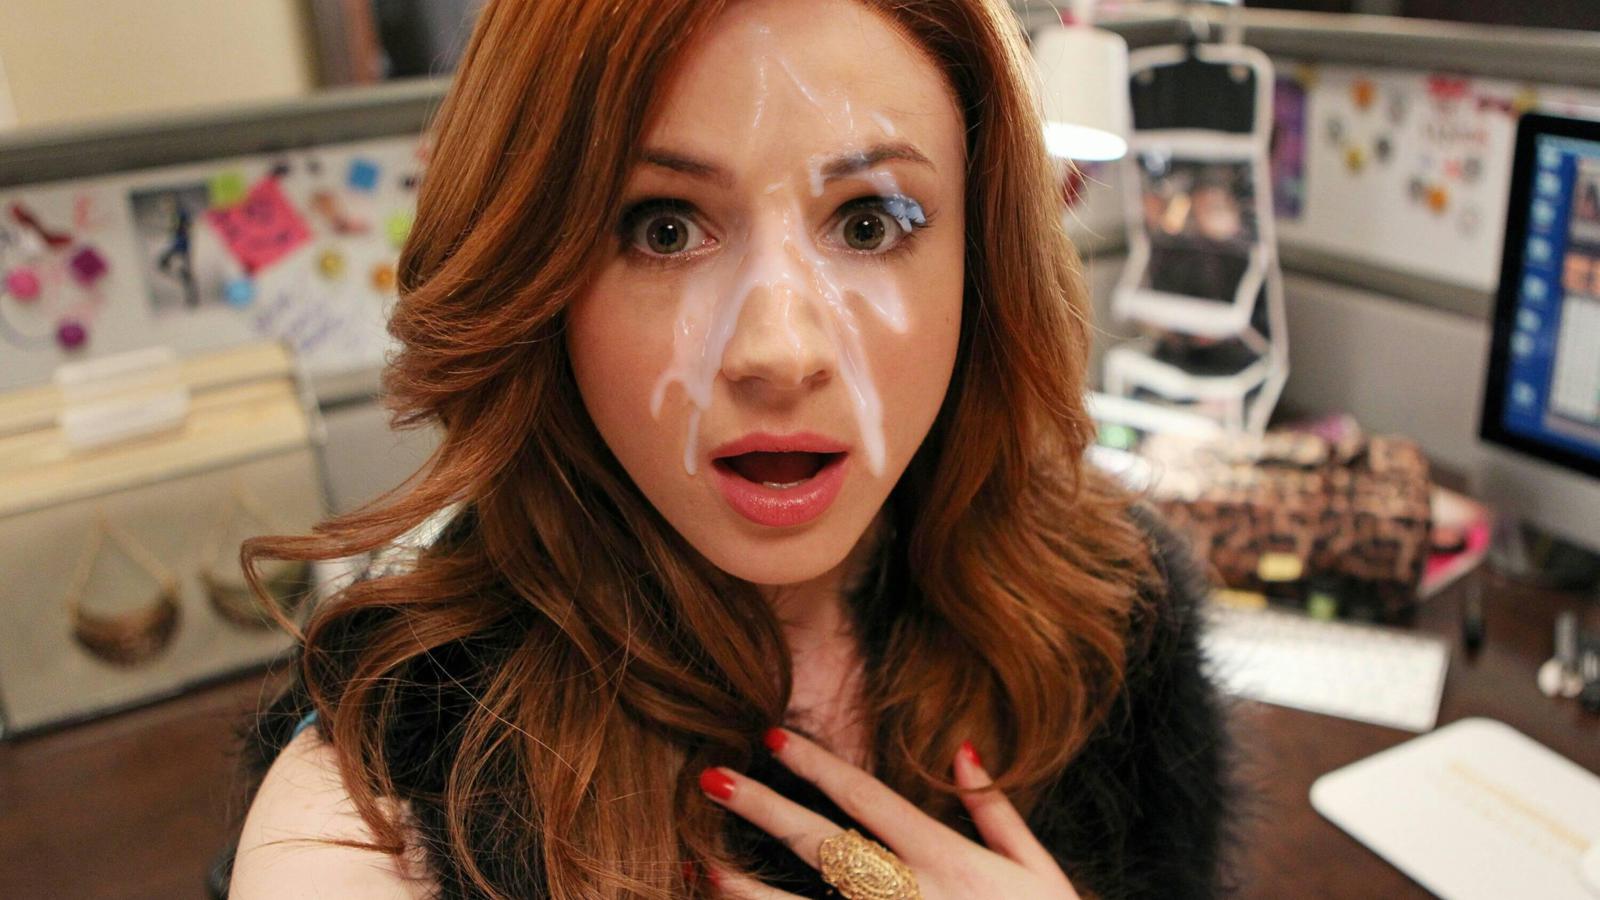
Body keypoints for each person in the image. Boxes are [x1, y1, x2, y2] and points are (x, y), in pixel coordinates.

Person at [226, 0, 1232, 898]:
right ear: (539, 274)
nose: (778, 354)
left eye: (870, 223)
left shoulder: (1113, 619)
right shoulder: (383, 790)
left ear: (982, 258)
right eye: (664, 229)